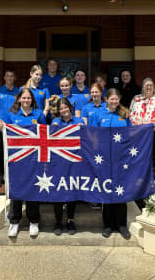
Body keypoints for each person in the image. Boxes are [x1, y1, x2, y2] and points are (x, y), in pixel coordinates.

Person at [1, 88, 46, 238]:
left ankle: (34, 221)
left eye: (29, 98)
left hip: (34, 158)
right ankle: (14, 221)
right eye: (24, 98)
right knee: (17, 189)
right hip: (17, 158)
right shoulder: (12, 114)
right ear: (19, 99)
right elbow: (4, 130)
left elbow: (44, 133)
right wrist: (2, 127)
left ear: (32, 100)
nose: (26, 100)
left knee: (34, 188)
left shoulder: (38, 114)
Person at [92, 88, 132, 240]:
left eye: (116, 99)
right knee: (107, 192)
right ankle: (107, 225)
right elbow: (93, 136)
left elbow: (130, 135)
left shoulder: (125, 114)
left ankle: (121, 225)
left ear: (119, 99)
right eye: (111, 99)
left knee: (121, 192)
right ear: (106, 99)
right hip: (104, 159)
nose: (114, 102)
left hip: (120, 160)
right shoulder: (98, 114)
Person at [51, 98, 84, 235]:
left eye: (65, 107)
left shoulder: (79, 121)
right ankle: (58, 221)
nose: (64, 110)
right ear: (58, 111)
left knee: (72, 190)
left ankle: (70, 220)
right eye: (61, 108)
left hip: (74, 161)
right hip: (59, 162)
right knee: (58, 191)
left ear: (70, 107)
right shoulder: (55, 122)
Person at [129, 78, 155, 180]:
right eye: (146, 85)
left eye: (150, 85)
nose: (148, 87)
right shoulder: (136, 99)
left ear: (154, 88)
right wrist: (136, 122)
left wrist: (146, 123)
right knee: (138, 154)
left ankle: (151, 178)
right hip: (138, 132)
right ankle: (138, 178)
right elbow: (130, 114)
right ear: (142, 88)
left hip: (153, 132)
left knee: (152, 156)